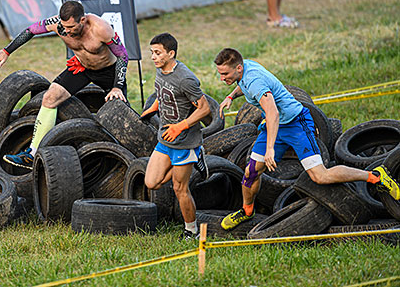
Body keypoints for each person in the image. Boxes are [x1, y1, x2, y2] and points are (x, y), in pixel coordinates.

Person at [214, 48, 400, 230]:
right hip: (276, 126)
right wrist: (231, 95)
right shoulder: (245, 68)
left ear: (238, 68)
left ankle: (376, 176)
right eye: (220, 74)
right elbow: (243, 85)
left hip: (296, 124)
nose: (222, 78)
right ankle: (247, 211)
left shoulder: (255, 81)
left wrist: (270, 148)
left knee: (320, 176)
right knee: (251, 171)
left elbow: (273, 113)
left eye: (225, 74)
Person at [0, 0, 128, 169]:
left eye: (71, 27)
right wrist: (6, 51)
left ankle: (123, 158)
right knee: (50, 97)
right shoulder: (57, 24)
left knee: (119, 113)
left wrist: (117, 86)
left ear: (82, 20)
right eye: (64, 26)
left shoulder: (101, 28)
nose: (66, 31)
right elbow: (31, 31)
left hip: (108, 71)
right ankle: (32, 154)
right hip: (81, 67)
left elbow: (123, 56)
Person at [140, 33, 210, 240]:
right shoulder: (161, 71)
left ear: (171, 53)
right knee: (152, 182)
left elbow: (204, 109)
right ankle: (196, 159)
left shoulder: (186, 79)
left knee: (180, 188)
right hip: (165, 138)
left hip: (184, 142)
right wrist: (153, 107)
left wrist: (180, 126)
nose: (153, 57)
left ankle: (192, 231)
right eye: (152, 52)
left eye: (158, 53)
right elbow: (164, 95)